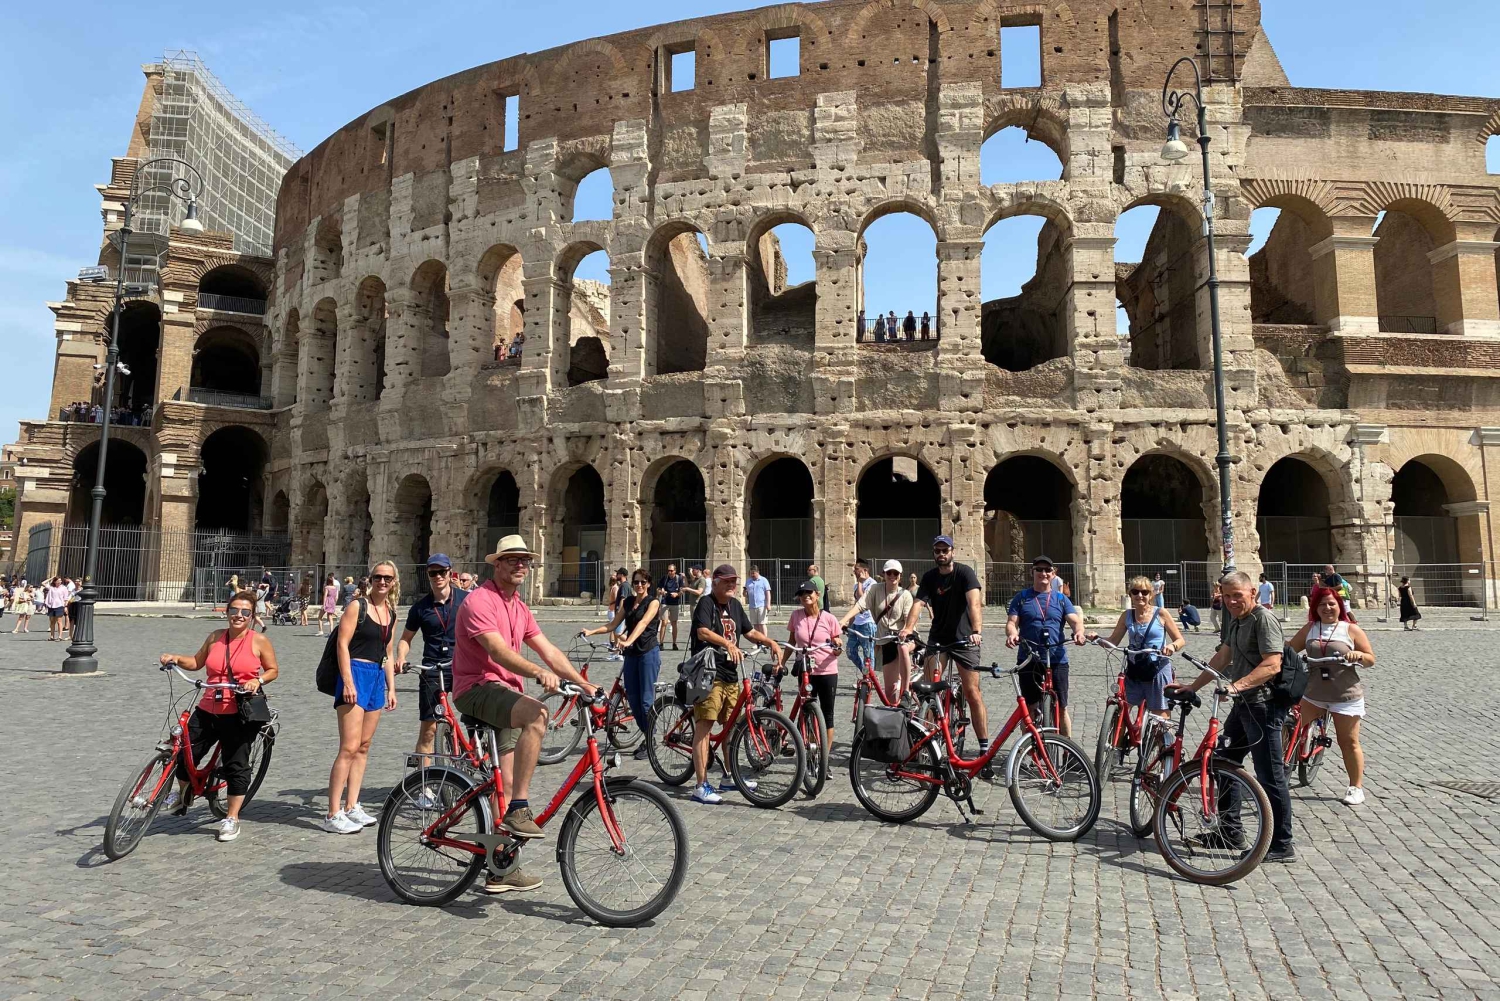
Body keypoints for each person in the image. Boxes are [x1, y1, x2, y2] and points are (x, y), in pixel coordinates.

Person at [451, 535, 596, 893]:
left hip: (506, 695)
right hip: (476, 689)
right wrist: (536, 674)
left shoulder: (520, 607)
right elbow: (498, 652)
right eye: (512, 559)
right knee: (538, 715)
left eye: (525, 560)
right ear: (496, 563)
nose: (520, 565)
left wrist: (584, 684)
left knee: (509, 780)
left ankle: (501, 867)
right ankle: (520, 808)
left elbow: (549, 651)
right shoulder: (478, 602)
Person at [1180, 571, 1295, 863]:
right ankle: (1230, 831)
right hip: (1243, 704)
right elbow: (1222, 658)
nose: (1231, 601)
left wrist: (1236, 686)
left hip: (1263, 706)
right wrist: (1192, 687)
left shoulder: (1263, 619)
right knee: (1224, 762)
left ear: (1252, 593)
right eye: (1226, 595)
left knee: (1270, 775)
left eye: (1237, 595)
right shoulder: (1238, 620)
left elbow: (1271, 664)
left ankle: (1282, 844)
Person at [158, 590, 280, 842]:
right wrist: (176, 658)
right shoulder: (215, 637)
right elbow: (196, 662)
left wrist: (257, 681)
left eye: (245, 612)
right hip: (207, 707)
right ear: (226, 613)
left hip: (240, 711)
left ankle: (232, 817)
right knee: (183, 753)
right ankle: (184, 795)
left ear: (252, 616)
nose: (239, 615)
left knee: (236, 765)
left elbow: (272, 670)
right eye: (234, 610)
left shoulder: (258, 641)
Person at [688, 564, 782, 804]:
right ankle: (700, 785)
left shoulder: (735, 606)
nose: (732, 585)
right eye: (727, 581)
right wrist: (728, 644)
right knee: (705, 726)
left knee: (731, 727)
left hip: (730, 675)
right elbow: (703, 632)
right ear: (716, 582)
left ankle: (729, 776)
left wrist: (770, 641)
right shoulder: (706, 604)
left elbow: (749, 632)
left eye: (734, 581)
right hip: (709, 674)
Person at [323, 561, 399, 836]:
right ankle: (333, 812)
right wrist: (348, 681)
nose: (382, 581)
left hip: (377, 676)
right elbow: (342, 644)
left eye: (387, 578)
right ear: (371, 579)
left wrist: (391, 688)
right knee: (349, 747)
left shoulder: (391, 612)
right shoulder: (357, 606)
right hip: (355, 672)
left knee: (364, 746)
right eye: (378, 577)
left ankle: (352, 804)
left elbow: (388, 653)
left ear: (393, 582)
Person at [900, 536, 988, 764]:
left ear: (952, 552)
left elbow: (973, 603)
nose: (941, 553)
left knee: (972, 692)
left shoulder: (965, 573)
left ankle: (983, 748)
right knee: (929, 690)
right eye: (937, 550)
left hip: (963, 638)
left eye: (945, 550)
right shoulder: (929, 577)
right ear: (934, 553)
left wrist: (976, 630)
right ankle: (926, 742)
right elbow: (918, 604)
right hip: (938, 639)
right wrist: (908, 628)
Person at [1289, 586, 1376, 806]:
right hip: (1313, 693)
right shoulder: (1310, 628)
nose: (1327, 608)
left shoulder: (1350, 629)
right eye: (1322, 604)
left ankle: (1356, 787)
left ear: (1339, 606)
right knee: (1290, 726)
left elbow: (1370, 659)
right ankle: (1285, 763)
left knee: (1348, 741)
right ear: (1315, 608)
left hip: (1345, 695)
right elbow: (1289, 649)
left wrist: (1358, 655)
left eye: (1331, 604)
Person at [394, 554, 469, 770]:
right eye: (433, 573)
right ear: (428, 575)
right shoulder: (420, 608)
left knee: (477, 720)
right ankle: (424, 783)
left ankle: (478, 759)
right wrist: (401, 657)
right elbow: (405, 639)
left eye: (442, 572)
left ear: (449, 573)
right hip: (433, 668)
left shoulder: (466, 600)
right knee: (428, 729)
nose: (438, 577)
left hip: (464, 666)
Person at [1005, 555, 1086, 737]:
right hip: (1029, 658)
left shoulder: (1061, 599)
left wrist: (1079, 632)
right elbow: (1012, 622)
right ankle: (1030, 751)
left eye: (1047, 570)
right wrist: (1012, 634)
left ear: (1053, 573)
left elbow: (1075, 621)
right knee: (1029, 709)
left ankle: (1068, 753)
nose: (1043, 573)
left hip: (1056, 658)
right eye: (1039, 570)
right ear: (1032, 572)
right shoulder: (1022, 598)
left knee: (1062, 708)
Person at [583, 569, 660, 758]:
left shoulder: (653, 602)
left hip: (648, 653)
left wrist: (628, 640)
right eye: (636, 582)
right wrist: (591, 632)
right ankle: (648, 735)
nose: (639, 585)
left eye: (643, 582)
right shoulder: (628, 602)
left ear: (649, 584)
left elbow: (642, 624)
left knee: (645, 701)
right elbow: (613, 625)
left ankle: (651, 740)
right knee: (633, 700)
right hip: (631, 655)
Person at [1088, 576, 1184, 721]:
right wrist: (1096, 639)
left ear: (1151, 594)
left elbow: (1180, 640)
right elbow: (1113, 641)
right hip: (1135, 668)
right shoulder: (1126, 615)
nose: (1140, 595)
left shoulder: (1161, 613)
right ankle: (1116, 741)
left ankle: (1161, 742)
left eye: (1144, 592)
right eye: (1135, 591)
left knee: (1160, 719)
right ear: (1130, 594)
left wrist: (1172, 646)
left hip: (1157, 668)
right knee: (1121, 712)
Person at [782, 580, 842, 761]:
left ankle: (824, 758)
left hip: (827, 670)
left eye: (809, 592)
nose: (805, 596)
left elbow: (837, 646)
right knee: (806, 711)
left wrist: (838, 646)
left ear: (817, 595)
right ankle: (809, 751)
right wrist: (782, 661)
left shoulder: (829, 618)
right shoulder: (796, 616)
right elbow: (791, 641)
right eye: (802, 594)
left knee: (827, 713)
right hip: (805, 670)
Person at [839, 559, 914, 700]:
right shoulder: (875, 589)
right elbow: (860, 605)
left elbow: (908, 620)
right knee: (890, 694)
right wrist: (843, 620)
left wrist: (905, 631)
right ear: (884, 574)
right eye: (889, 573)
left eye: (895, 573)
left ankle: (906, 692)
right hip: (885, 640)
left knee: (902, 648)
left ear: (900, 575)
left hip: (904, 638)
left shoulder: (905, 595)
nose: (892, 576)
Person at [844, 560, 876, 675]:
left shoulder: (873, 584)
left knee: (868, 654)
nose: (854, 571)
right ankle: (865, 671)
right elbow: (856, 605)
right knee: (850, 651)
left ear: (864, 570)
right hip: (856, 624)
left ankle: (868, 678)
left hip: (867, 623)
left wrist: (861, 583)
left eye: (857, 569)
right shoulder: (857, 585)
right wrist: (849, 623)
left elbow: (864, 601)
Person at [656, 563, 685, 650]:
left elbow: (682, 590)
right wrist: (661, 592)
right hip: (665, 601)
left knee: (674, 623)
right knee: (664, 622)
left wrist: (677, 594)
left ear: (675, 571)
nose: (670, 572)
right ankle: (661, 643)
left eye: (671, 570)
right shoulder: (664, 578)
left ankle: (674, 643)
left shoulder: (678, 579)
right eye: (668, 570)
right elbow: (658, 589)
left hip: (674, 602)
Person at [743, 565, 771, 632]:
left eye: (753, 573)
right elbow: (744, 595)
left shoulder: (764, 580)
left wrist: (768, 604)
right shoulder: (748, 581)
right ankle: (758, 641)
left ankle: (764, 641)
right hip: (752, 606)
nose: (752, 575)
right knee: (755, 625)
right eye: (751, 573)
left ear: (758, 572)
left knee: (762, 624)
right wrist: (744, 591)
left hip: (762, 605)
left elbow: (768, 593)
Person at [43, 576, 70, 641]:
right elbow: (43, 583)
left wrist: (65, 606)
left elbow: (66, 598)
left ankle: (60, 636)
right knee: (52, 621)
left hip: (60, 605)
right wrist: (51, 578)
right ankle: (52, 636)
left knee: (59, 621)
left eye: (60, 580)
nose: (60, 581)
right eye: (58, 580)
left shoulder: (63, 588)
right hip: (51, 605)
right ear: (55, 581)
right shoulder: (51, 588)